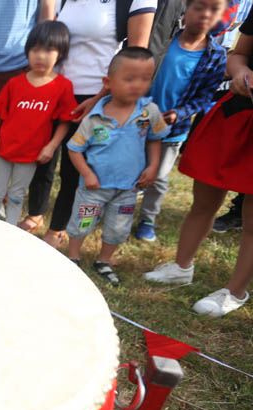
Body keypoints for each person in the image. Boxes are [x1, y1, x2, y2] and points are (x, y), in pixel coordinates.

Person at [143, 9, 253, 317]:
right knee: (202, 202)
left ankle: (235, 292)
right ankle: (181, 266)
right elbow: (238, 55)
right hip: (235, 114)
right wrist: (242, 73)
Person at [21, 0, 157, 244]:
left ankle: (57, 227)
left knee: (73, 169)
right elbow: (48, 34)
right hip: (53, 90)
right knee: (42, 159)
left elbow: (136, 55)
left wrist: (98, 99)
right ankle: (36, 212)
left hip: (94, 95)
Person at [65, 47, 169, 286]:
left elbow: (155, 139)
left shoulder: (149, 112)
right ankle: (73, 257)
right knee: (82, 223)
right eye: (129, 78)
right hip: (94, 188)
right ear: (108, 82)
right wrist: (87, 174)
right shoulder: (94, 117)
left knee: (118, 228)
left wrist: (153, 166)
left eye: (145, 79)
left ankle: (104, 260)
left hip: (128, 188)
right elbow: (74, 149)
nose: (137, 85)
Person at [134, 0, 228, 242]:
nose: (204, 15)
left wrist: (180, 113)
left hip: (173, 129)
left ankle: (147, 218)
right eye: (199, 7)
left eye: (213, 10)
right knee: (130, 166)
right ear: (187, 9)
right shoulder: (164, 40)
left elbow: (204, 97)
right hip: (141, 118)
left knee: (159, 177)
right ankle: (117, 209)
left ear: (220, 16)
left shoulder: (216, 56)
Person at [0, 21, 77, 226]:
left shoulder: (62, 86)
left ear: (60, 53)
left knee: (17, 194)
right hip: (3, 149)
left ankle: (10, 230)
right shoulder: (15, 83)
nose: (41, 56)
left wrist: (51, 146)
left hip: (31, 154)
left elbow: (65, 122)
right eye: (35, 50)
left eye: (49, 50)